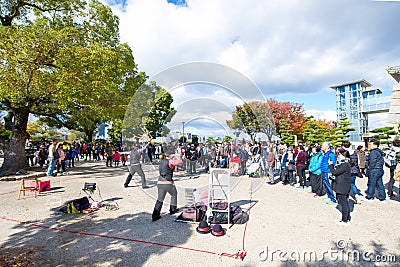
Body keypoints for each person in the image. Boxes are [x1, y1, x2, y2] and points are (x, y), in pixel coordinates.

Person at [152, 153, 183, 221]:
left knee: (160, 199)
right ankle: (172, 209)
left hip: (160, 181)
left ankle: (155, 215)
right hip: (168, 182)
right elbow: (180, 161)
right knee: (174, 194)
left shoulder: (162, 161)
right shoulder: (170, 161)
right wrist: (176, 156)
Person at [328, 149, 352, 226]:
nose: (338, 156)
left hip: (342, 186)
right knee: (344, 202)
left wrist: (331, 165)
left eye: (340, 155)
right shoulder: (343, 164)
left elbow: (335, 172)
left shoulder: (345, 165)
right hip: (342, 185)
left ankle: (344, 220)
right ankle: (346, 218)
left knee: (343, 203)